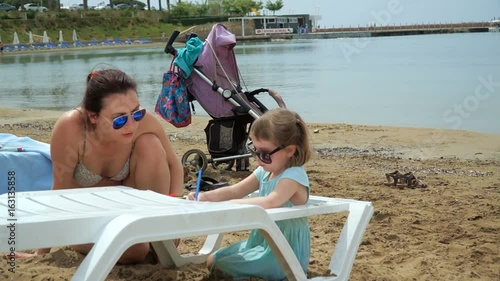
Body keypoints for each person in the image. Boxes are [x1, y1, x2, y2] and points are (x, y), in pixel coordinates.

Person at [18, 68, 184, 263]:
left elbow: (174, 165)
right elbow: (59, 189)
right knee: (136, 250)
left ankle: (154, 227)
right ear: (93, 116)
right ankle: (90, 242)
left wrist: (175, 216)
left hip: (127, 211)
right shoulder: (71, 128)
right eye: (120, 119)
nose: (131, 124)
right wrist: (42, 252)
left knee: (150, 144)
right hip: (83, 215)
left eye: (136, 113)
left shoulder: (143, 122)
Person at [187, 108, 313, 280]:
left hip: (285, 252)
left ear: (289, 150)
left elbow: (272, 201)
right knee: (213, 260)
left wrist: (230, 205)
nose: (258, 159)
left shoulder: (294, 174)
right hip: (262, 241)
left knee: (224, 267)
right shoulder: (264, 171)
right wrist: (204, 197)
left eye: (265, 154)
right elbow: (235, 190)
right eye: (254, 150)